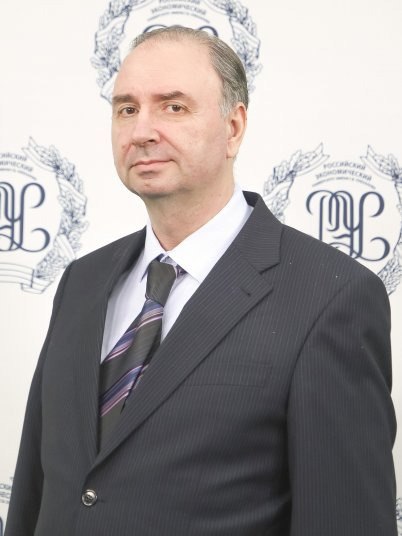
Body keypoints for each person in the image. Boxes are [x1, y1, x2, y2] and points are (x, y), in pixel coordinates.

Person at [5, 26, 397, 536]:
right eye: (127, 109)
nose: (142, 131)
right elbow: (36, 496)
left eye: (174, 107)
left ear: (233, 127)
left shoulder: (330, 298)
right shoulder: (82, 281)